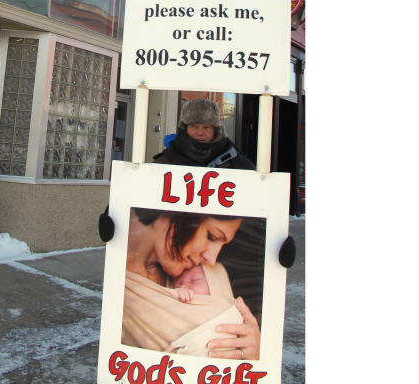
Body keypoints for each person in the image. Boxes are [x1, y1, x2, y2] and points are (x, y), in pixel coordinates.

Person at [100, 98, 296, 328]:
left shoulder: (237, 165)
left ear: (216, 130)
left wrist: (278, 239)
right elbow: (137, 193)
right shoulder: (165, 162)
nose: (201, 132)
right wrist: (113, 215)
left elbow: (262, 201)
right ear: (185, 128)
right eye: (195, 127)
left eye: (207, 128)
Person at [123, 208, 260, 360]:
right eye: (212, 236)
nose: (212, 259)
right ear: (177, 212)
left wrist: (252, 354)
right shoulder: (119, 292)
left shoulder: (200, 273)